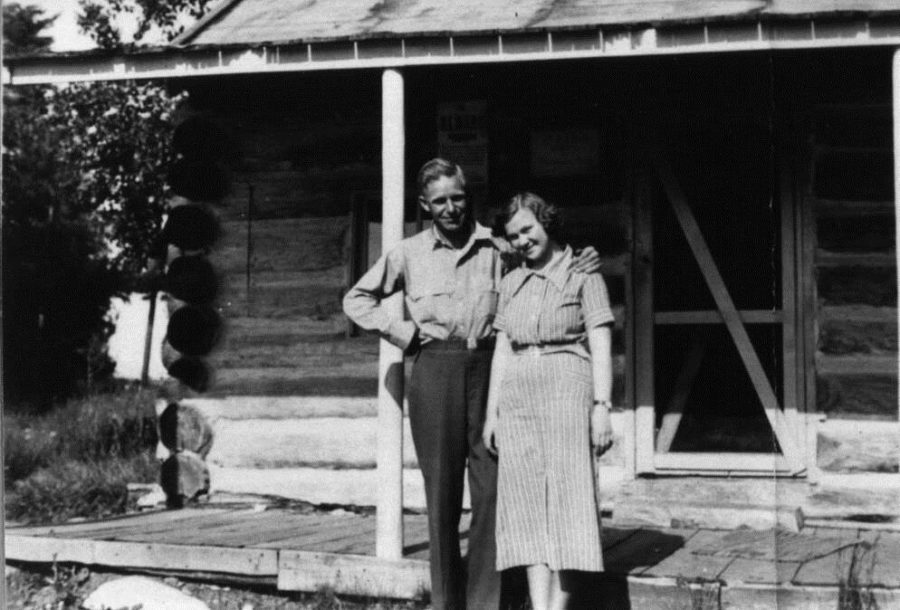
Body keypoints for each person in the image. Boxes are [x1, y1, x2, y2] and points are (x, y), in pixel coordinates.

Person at [343, 159, 600, 610]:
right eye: (439, 201)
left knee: (493, 491)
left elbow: (546, 257)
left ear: (468, 197)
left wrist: (581, 258)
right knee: (442, 496)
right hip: (434, 371)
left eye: (457, 198)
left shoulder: (499, 248)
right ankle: (447, 602)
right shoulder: (409, 253)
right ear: (424, 204)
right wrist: (404, 332)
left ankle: (487, 603)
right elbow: (356, 299)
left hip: (491, 371)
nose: (450, 208)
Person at [482, 192, 614, 610]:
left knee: (567, 500)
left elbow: (600, 339)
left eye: (528, 229)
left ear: (547, 223)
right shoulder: (511, 282)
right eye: (513, 235)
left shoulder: (583, 274)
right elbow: (503, 348)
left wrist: (602, 406)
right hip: (518, 396)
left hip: (566, 391)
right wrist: (492, 414)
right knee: (525, 505)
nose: (522, 240)